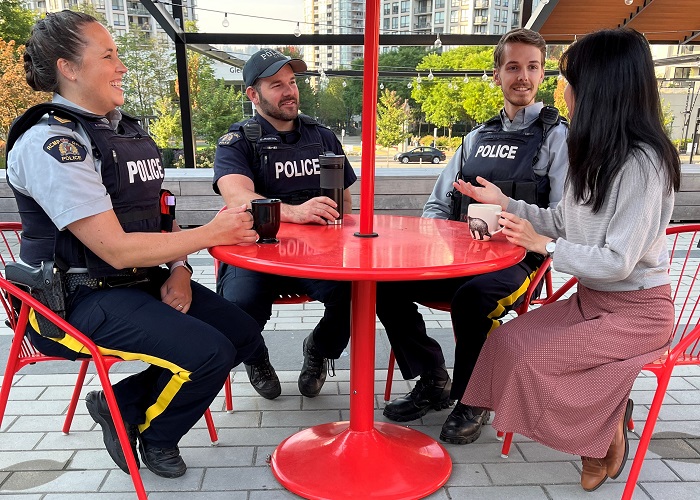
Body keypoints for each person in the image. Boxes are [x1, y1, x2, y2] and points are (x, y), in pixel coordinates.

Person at [6, 11, 264, 479]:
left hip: (139, 281)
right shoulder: (52, 143)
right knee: (209, 352)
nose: (121, 66)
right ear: (68, 67)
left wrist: (182, 270)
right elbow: (117, 249)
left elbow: (160, 220)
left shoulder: (126, 132)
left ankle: (117, 401)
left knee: (243, 334)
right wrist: (213, 234)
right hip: (72, 301)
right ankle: (154, 436)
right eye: (108, 55)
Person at [457, 28, 680, 493]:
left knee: (536, 360)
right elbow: (560, 218)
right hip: (591, 301)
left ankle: (601, 434)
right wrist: (506, 204)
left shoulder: (645, 164)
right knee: (506, 344)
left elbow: (618, 262)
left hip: (637, 313)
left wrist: (545, 247)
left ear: (598, 88)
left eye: (567, 79)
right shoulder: (592, 152)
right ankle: (606, 414)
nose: (561, 90)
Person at [376, 28, 569, 445]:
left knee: (473, 298)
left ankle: (473, 397)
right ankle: (432, 380)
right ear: (496, 74)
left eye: (532, 67)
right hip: (461, 256)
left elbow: (564, 219)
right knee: (382, 285)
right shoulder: (474, 139)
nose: (523, 76)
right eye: (513, 67)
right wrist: (433, 241)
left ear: (542, 75)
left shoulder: (558, 138)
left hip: (520, 260)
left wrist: (512, 216)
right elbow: (437, 204)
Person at [213, 49, 356, 400]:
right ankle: (255, 356)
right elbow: (236, 196)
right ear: (253, 94)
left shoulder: (322, 136)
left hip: (317, 253)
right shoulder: (237, 141)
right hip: (256, 252)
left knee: (359, 293)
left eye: (292, 82)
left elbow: (346, 201)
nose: (289, 91)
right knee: (237, 305)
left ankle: (319, 349)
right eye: (276, 85)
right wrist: (295, 212)